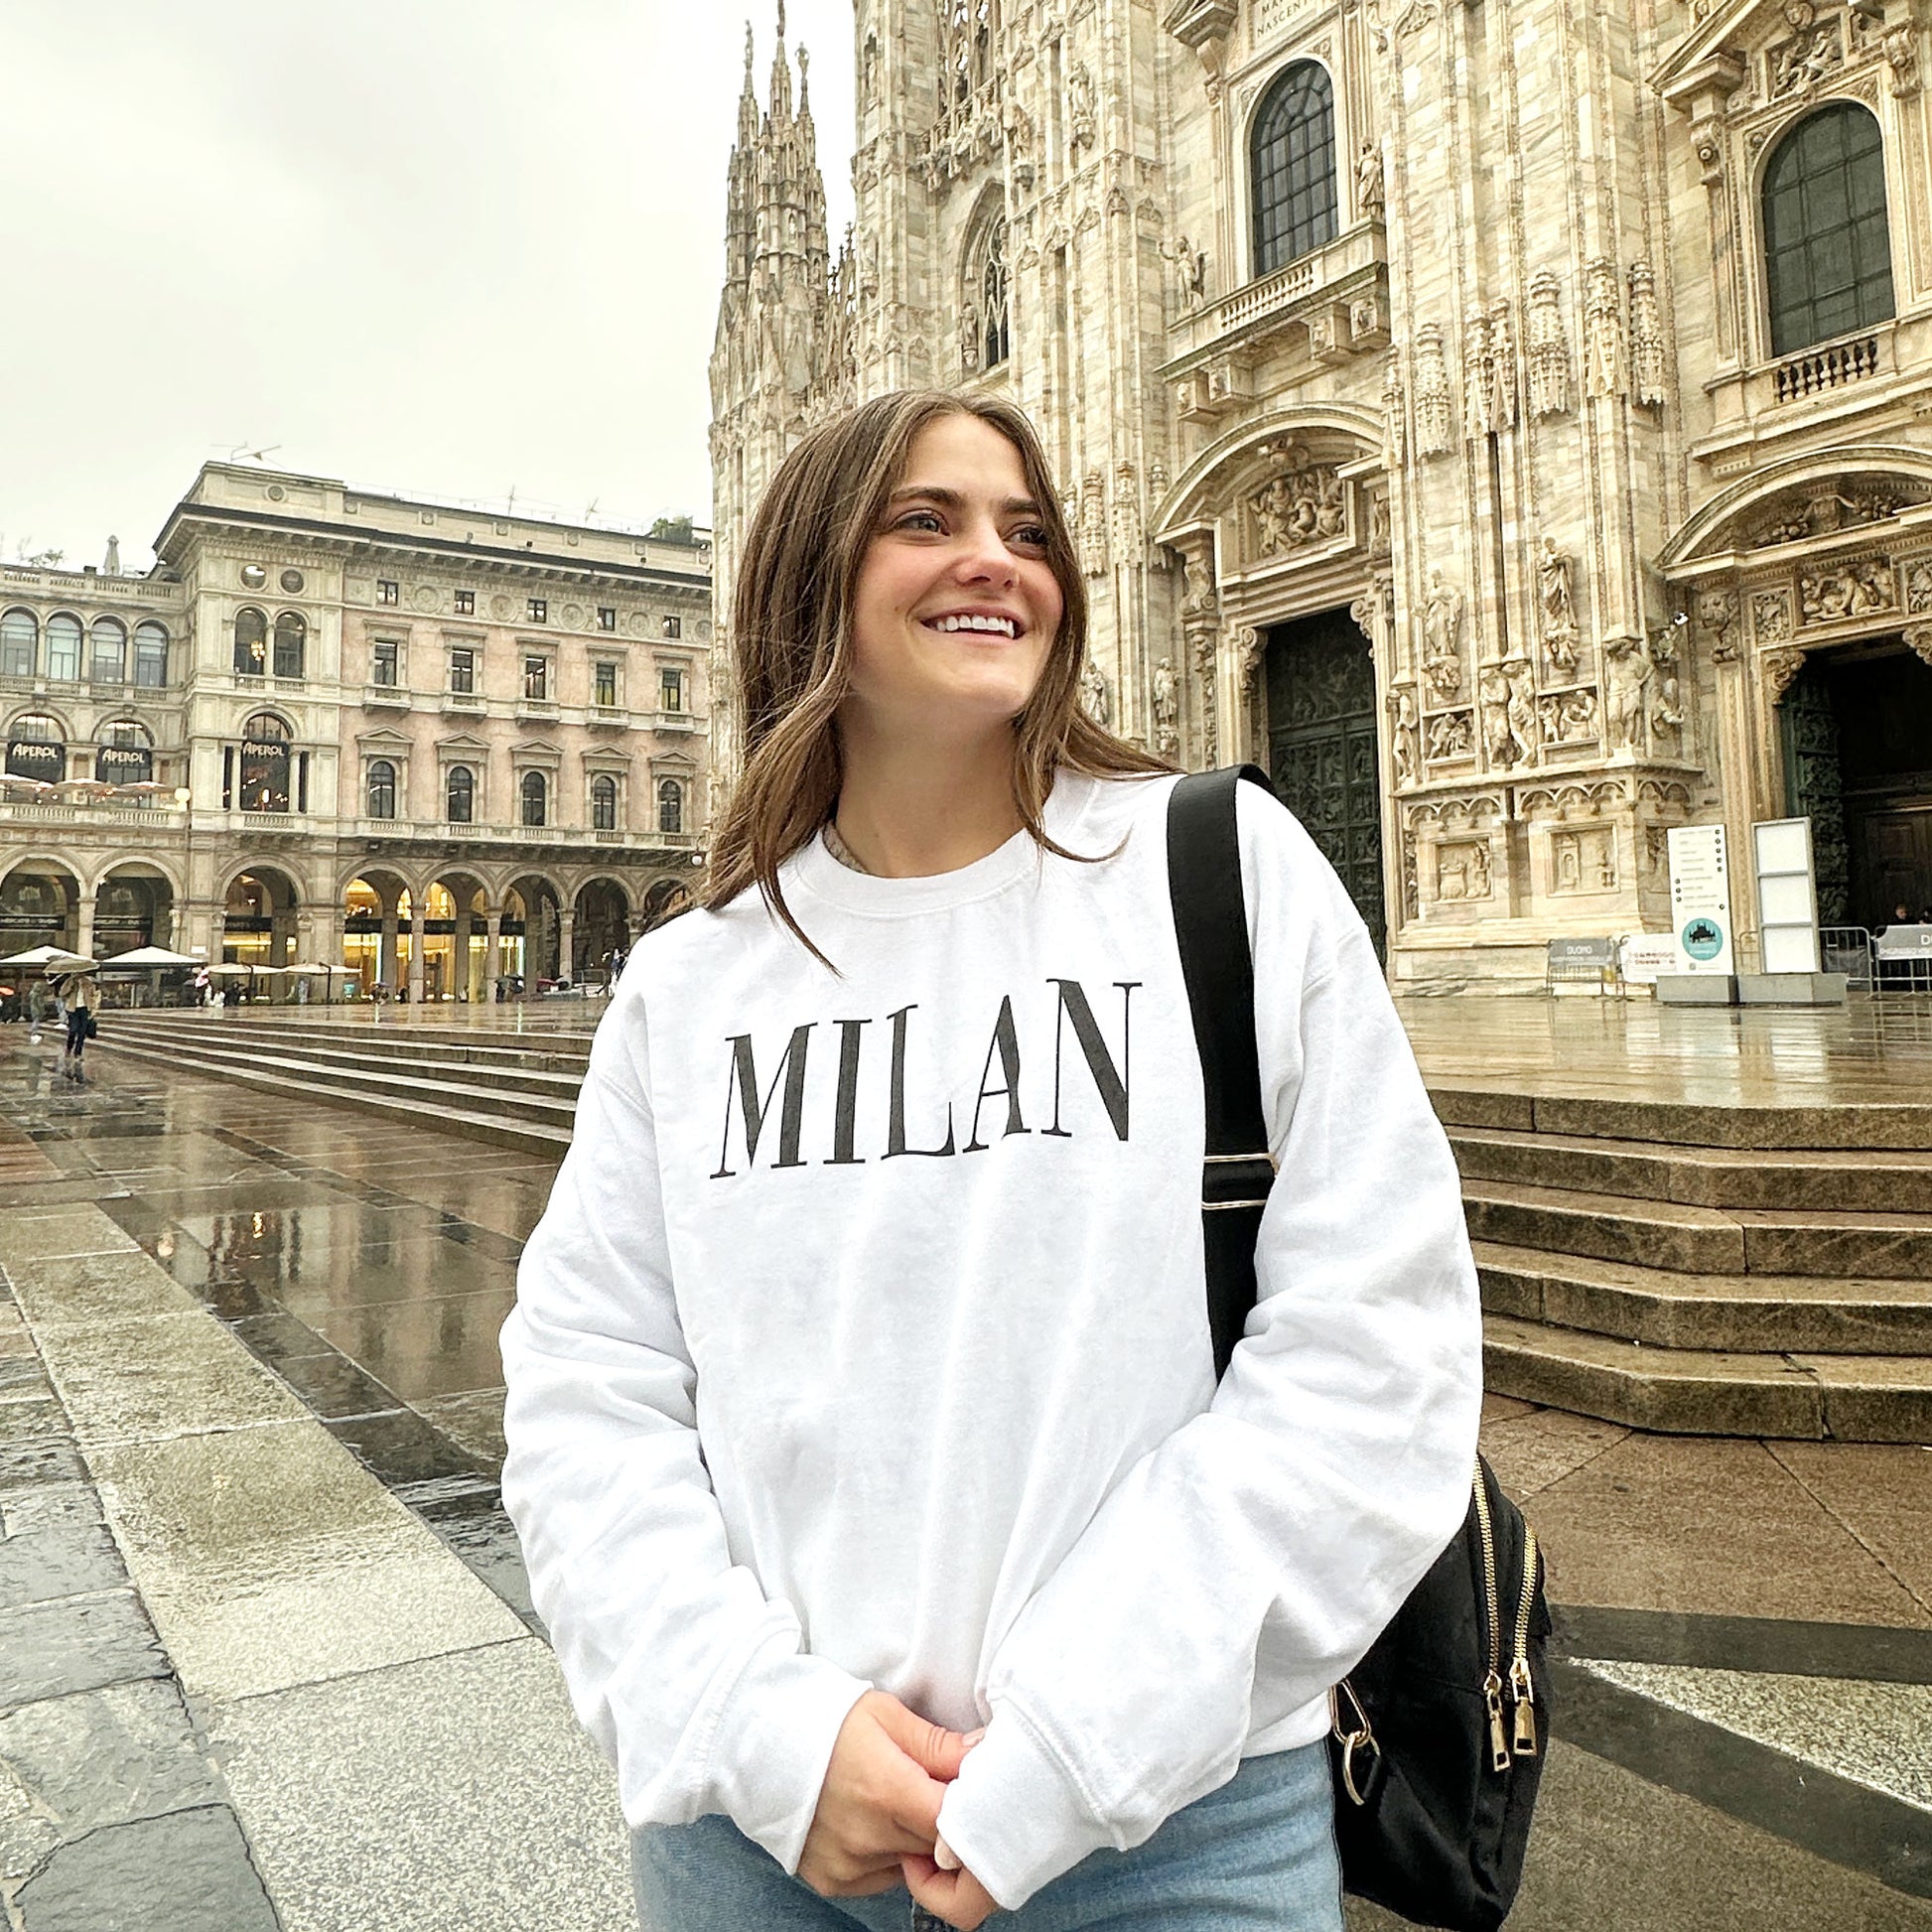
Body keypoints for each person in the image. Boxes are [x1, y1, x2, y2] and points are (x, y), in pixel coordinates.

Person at [500, 392, 1481, 1932]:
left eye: (1028, 530)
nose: (995, 558)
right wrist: (765, 1732)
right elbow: (589, 1392)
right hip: (758, 1844)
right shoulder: (691, 980)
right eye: (927, 519)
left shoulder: (1217, 870)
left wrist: (1073, 1748)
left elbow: (1376, 1345)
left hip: (1173, 1836)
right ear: (809, 577)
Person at [55, 969, 97, 1079]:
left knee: (82, 1032)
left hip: (84, 1008)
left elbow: (93, 994)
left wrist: (92, 1007)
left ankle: (78, 1052)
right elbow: (62, 993)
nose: (79, 974)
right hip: (72, 1008)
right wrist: (70, 986)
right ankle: (69, 1048)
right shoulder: (70, 981)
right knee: (73, 1029)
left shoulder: (87, 982)